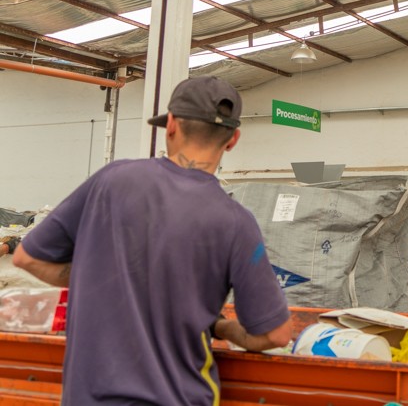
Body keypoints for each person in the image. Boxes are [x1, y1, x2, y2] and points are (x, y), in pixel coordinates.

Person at [13, 76, 292, 404]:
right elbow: (276, 334)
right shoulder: (236, 223)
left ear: (171, 125)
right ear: (233, 140)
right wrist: (223, 328)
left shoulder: (111, 181)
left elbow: (26, 258)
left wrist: (103, 280)